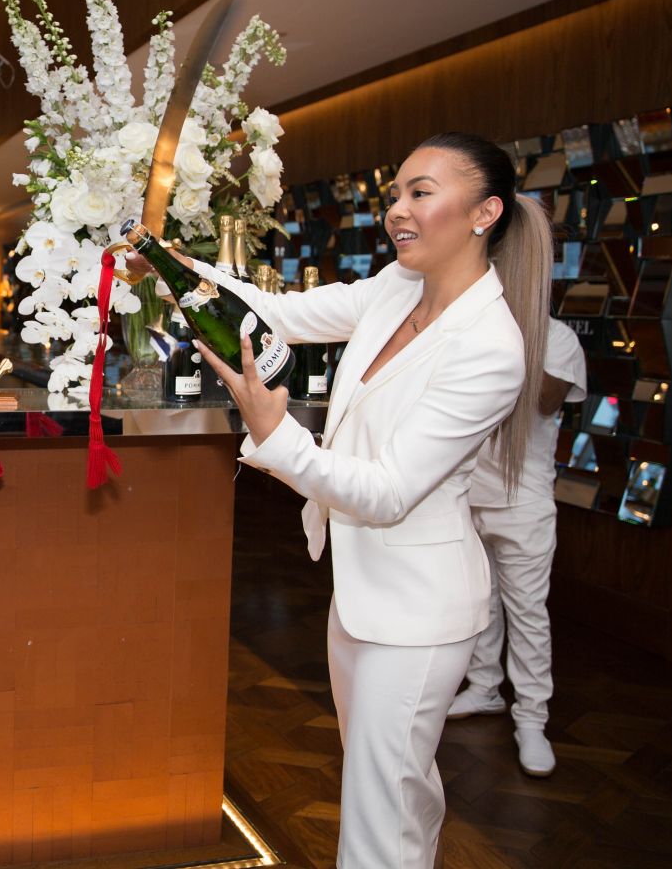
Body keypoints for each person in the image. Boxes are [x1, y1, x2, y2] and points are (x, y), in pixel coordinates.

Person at [127, 132, 552, 869]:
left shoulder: (489, 347)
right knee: (398, 793)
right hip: (361, 596)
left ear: (485, 213)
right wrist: (175, 270)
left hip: (418, 613)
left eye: (421, 193)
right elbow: (277, 313)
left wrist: (276, 433)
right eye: (396, 194)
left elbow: (387, 493)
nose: (398, 210)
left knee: (377, 811)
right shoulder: (395, 288)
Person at [447, 316, 586, 777]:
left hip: (524, 501)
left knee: (527, 611)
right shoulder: (478, 324)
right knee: (479, 602)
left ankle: (531, 717)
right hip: (469, 492)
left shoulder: (558, 338)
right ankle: (484, 686)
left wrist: (514, 335)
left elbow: (546, 401)